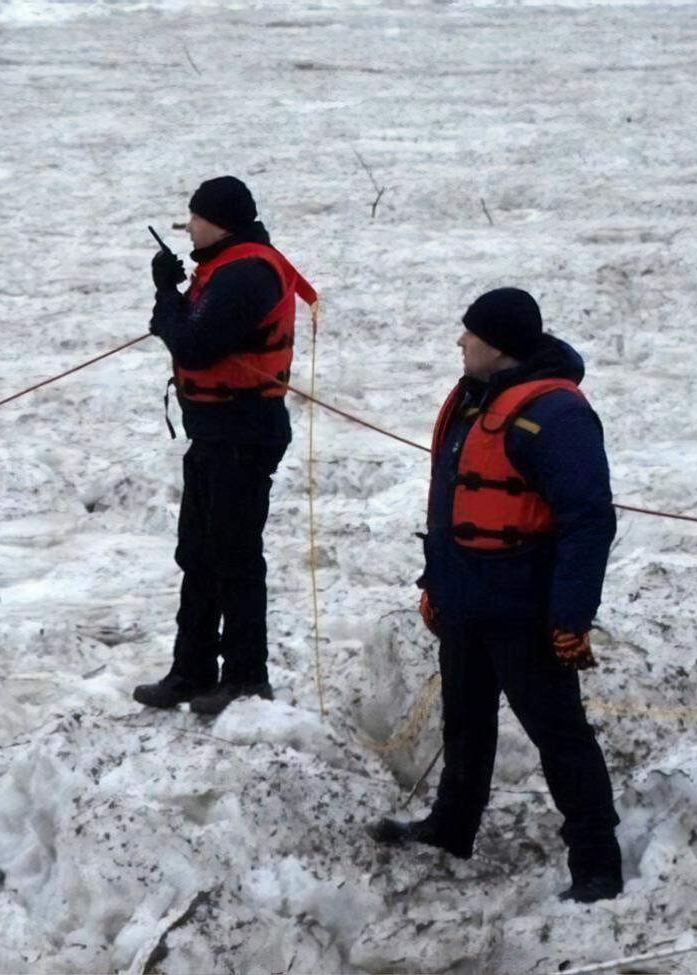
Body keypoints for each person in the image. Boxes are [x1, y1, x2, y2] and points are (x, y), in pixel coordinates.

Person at [371, 288, 623, 903]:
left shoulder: (558, 415)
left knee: (558, 734)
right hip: (465, 598)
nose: (460, 341)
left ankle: (596, 864)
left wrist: (570, 616)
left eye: (469, 333)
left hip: (524, 609)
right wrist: (437, 584)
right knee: (465, 722)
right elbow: (449, 501)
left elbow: (589, 520)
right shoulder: (470, 400)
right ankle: (451, 827)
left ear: (499, 344)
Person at [133, 176, 316, 717]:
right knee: (198, 551)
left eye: (194, 217)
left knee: (232, 556)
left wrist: (167, 293)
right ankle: (191, 671)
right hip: (213, 433)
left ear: (220, 221)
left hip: (242, 433)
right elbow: (192, 329)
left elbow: (193, 342)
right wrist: (176, 296)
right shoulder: (229, 267)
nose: (187, 226)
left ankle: (245, 676)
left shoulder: (245, 273)